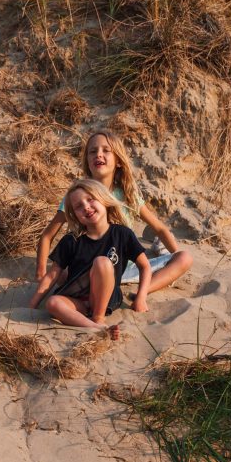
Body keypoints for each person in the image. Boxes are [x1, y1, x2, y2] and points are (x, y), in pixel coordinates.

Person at [35, 131, 192, 291]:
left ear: (118, 160)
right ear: (87, 161)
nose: (99, 155)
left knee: (183, 258)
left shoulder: (127, 194)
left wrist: (173, 256)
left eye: (106, 150)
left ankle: (142, 292)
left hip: (127, 268)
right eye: (93, 151)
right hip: (90, 269)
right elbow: (47, 236)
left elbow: (160, 228)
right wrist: (41, 273)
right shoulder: (77, 197)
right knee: (62, 275)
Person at [29, 179, 152, 339]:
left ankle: (98, 317)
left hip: (105, 297)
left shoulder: (122, 234)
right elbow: (53, 274)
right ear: (75, 215)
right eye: (78, 207)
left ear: (104, 200)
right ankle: (95, 328)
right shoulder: (71, 240)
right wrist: (31, 307)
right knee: (52, 303)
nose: (86, 207)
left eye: (90, 199)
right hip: (77, 300)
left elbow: (145, 266)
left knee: (102, 262)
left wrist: (141, 298)